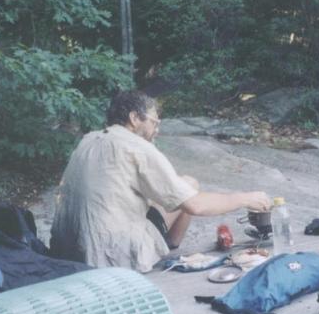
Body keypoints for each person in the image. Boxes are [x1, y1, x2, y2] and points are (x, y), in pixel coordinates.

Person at [49, 90, 271, 273]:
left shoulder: (89, 140)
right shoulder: (135, 146)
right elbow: (195, 205)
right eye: (154, 122)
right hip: (109, 255)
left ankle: (164, 242)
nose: (157, 129)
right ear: (135, 118)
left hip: (69, 249)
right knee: (189, 185)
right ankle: (167, 245)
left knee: (179, 187)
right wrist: (244, 198)